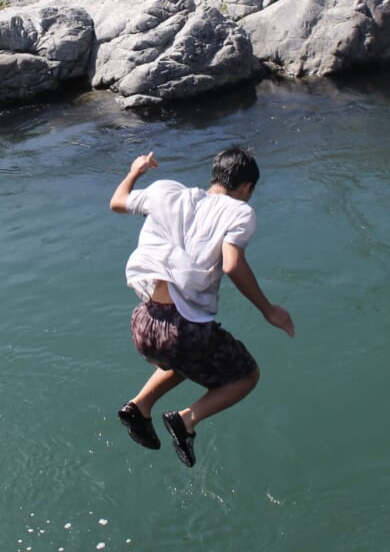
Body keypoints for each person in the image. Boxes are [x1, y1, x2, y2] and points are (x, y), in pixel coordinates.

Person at [109, 146, 295, 467]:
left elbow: (117, 203)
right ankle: (186, 420)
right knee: (246, 376)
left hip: (144, 323)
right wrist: (268, 309)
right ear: (247, 188)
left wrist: (136, 171)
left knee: (189, 358)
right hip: (184, 331)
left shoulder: (168, 191)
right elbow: (233, 265)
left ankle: (139, 407)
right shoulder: (240, 213)